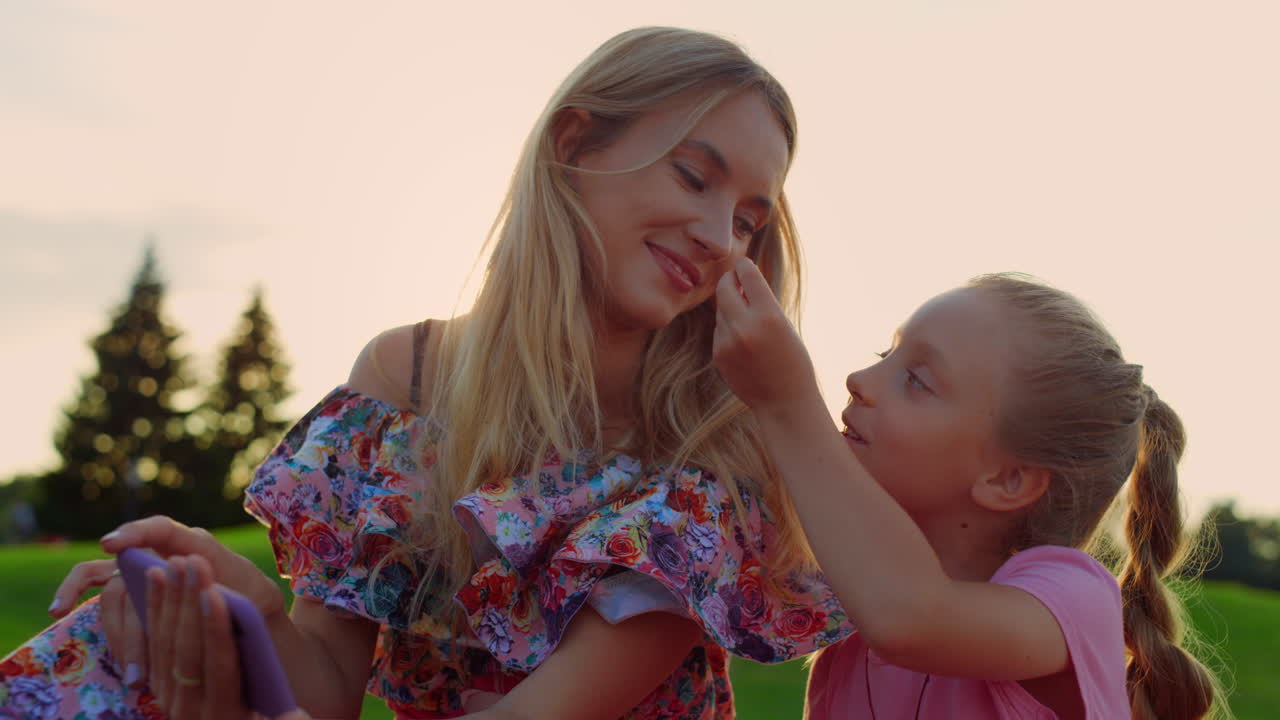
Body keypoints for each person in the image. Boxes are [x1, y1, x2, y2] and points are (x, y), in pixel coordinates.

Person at [2, 26, 847, 720]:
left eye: (747, 220)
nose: (717, 235)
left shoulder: (713, 442)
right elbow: (325, 691)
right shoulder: (404, 381)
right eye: (693, 176)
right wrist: (251, 612)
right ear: (575, 143)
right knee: (108, 657)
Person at [710, 267, 1221, 719]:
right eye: (884, 354)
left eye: (915, 379)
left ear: (1007, 480)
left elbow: (911, 619)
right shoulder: (858, 604)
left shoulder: (1072, 599)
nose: (858, 380)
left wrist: (786, 399)